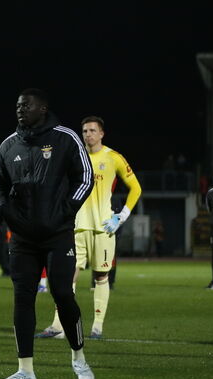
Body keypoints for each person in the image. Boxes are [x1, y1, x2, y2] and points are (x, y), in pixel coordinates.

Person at [0, 88, 95, 379]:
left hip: (58, 235)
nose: (20, 109)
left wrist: (65, 211)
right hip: (22, 238)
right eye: (17, 105)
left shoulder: (65, 137)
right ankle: (26, 370)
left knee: (62, 293)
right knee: (22, 298)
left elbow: (85, 177)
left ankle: (79, 359)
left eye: (27, 105)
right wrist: (3, 209)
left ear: (43, 108)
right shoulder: (8, 145)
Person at [36, 116, 141, 339]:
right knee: (67, 277)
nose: (88, 135)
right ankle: (58, 326)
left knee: (101, 276)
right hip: (75, 228)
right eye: (84, 131)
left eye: (92, 130)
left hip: (104, 228)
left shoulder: (114, 158)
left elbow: (136, 188)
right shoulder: (74, 157)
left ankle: (97, 327)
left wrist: (121, 217)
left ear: (102, 134)